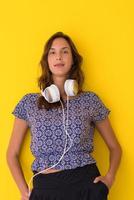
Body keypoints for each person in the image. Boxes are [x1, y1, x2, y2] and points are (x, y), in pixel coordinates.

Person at [6, 31, 122, 200]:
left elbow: (115, 148)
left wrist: (109, 179)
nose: (58, 57)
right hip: (45, 189)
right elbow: (11, 154)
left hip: (86, 186)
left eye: (64, 51)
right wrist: (24, 192)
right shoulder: (28, 103)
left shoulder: (90, 100)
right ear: (47, 60)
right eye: (52, 52)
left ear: (73, 59)